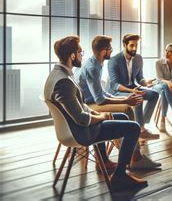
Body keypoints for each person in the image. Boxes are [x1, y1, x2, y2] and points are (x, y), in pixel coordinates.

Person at [44, 36, 160, 191]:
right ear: (72, 56)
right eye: (80, 52)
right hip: (81, 132)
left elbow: (81, 106)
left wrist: (97, 113)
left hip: (78, 125)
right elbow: (83, 119)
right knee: (133, 128)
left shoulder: (57, 74)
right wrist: (103, 116)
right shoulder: (64, 82)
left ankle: (111, 161)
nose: (82, 55)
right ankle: (120, 175)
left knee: (124, 117)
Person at [75, 35, 142, 121]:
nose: (111, 51)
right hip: (86, 105)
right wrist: (126, 101)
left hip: (92, 100)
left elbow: (102, 92)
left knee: (130, 101)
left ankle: (131, 131)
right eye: (110, 49)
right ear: (103, 52)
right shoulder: (92, 68)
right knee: (127, 109)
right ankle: (134, 133)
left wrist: (125, 98)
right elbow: (100, 100)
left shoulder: (96, 63)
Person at [107, 34, 160, 141]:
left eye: (136, 45)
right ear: (124, 45)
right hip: (116, 92)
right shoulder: (114, 60)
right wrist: (132, 91)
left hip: (133, 88)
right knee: (137, 97)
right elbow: (114, 85)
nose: (135, 48)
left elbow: (140, 78)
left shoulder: (138, 58)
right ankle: (141, 130)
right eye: (132, 45)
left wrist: (145, 83)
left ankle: (141, 125)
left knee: (154, 94)